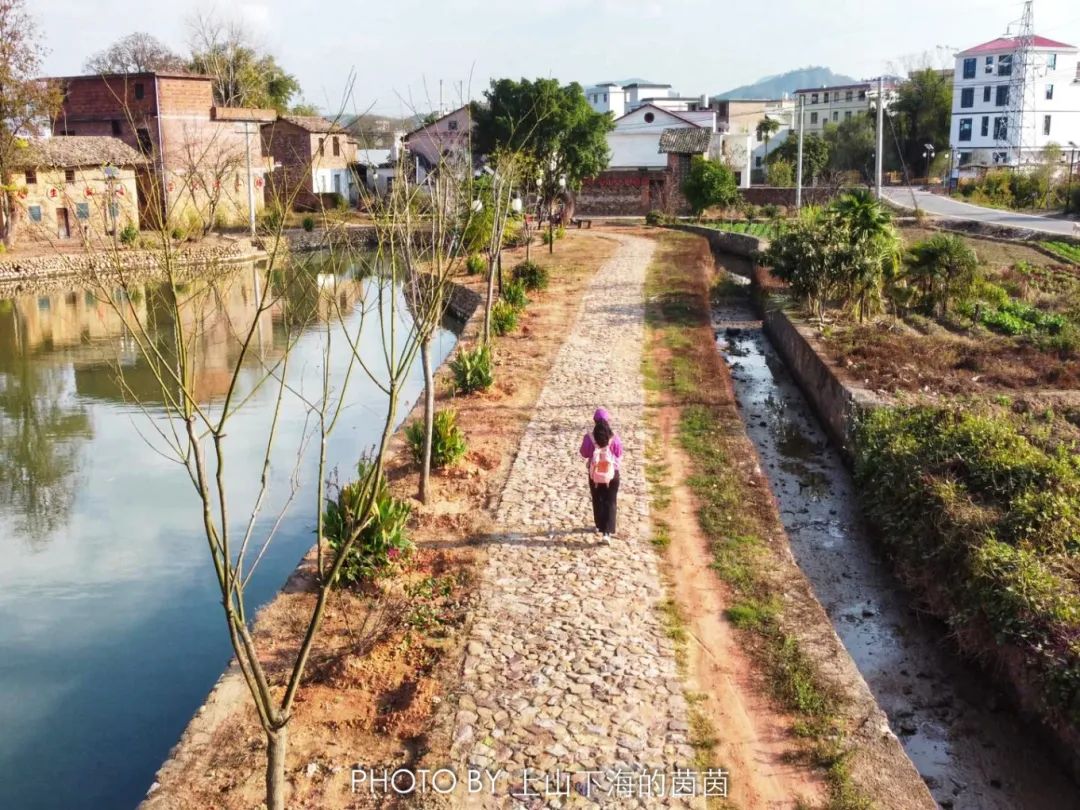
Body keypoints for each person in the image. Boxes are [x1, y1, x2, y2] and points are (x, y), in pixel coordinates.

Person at [579, 408, 623, 542]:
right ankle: (607, 533)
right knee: (610, 501)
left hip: (595, 474)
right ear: (608, 421)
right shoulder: (614, 437)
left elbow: (584, 453)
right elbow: (619, 452)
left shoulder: (589, 438)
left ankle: (599, 525)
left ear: (595, 421)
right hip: (612, 474)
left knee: (597, 499)